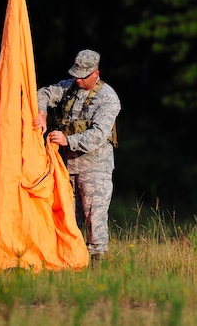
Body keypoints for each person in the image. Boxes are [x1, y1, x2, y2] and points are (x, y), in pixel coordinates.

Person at [33, 49, 121, 263]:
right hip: (67, 168)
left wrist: (67, 140)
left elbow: (99, 135)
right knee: (66, 217)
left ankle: (96, 265)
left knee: (95, 219)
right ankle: (67, 261)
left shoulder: (108, 98)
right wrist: (42, 112)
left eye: (82, 76)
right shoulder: (69, 87)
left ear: (95, 73)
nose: (78, 79)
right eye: (75, 74)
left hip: (95, 168)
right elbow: (42, 93)